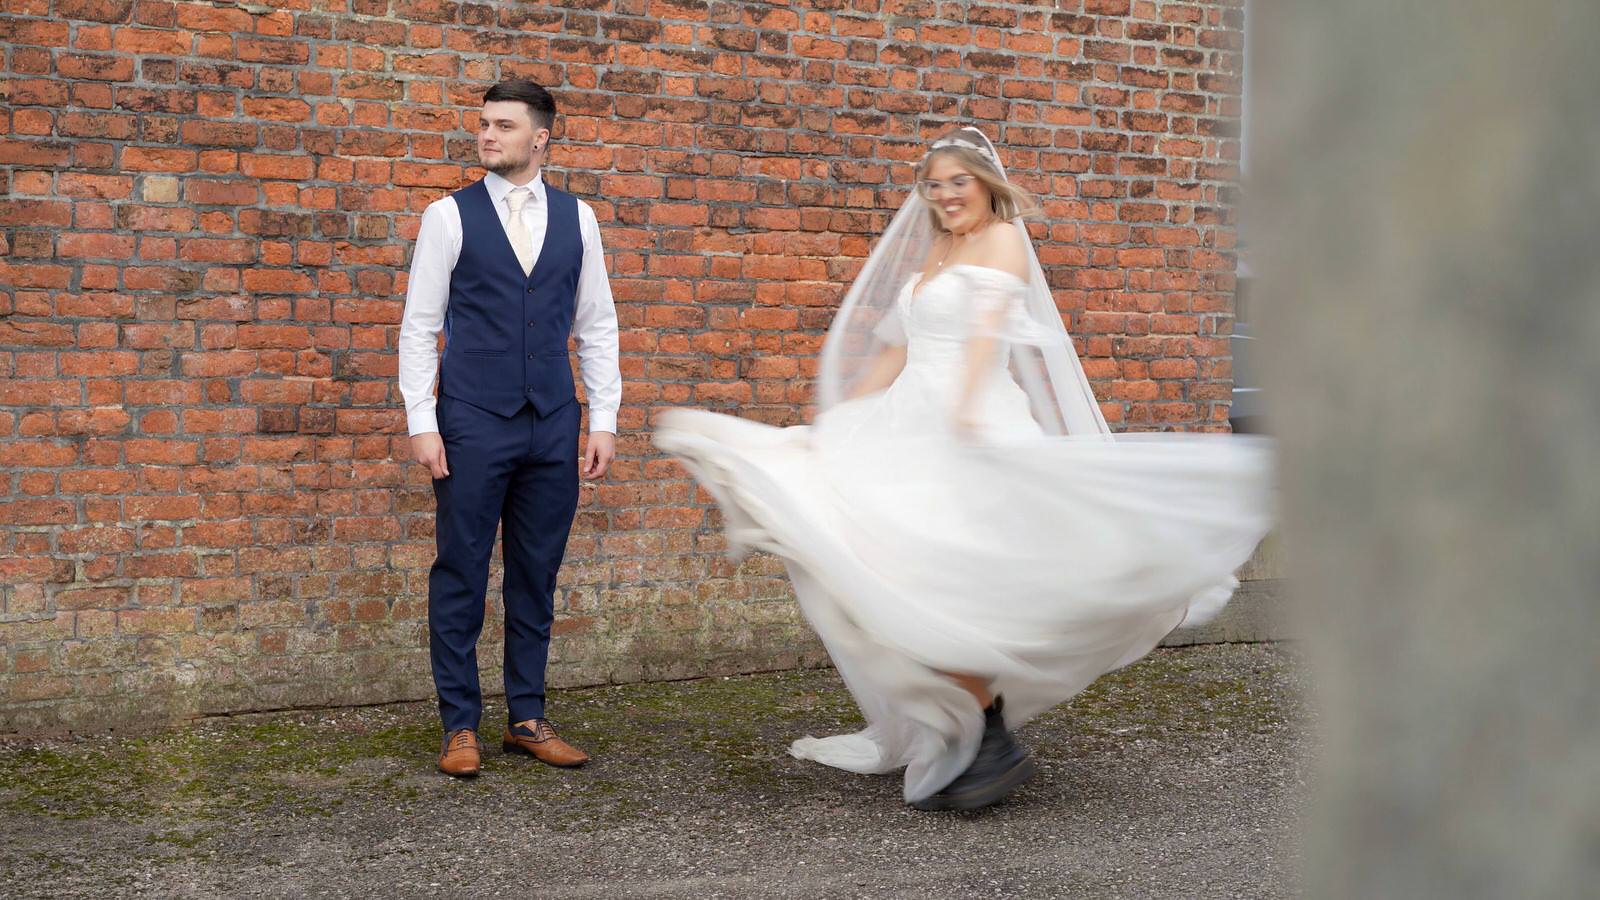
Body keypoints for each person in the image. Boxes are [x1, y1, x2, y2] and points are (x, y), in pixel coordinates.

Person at [654, 126, 1273, 810]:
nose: (946, 195)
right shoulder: (936, 251)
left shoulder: (1002, 240)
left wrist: (970, 409)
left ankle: (987, 735)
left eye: (959, 182)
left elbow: (987, 335)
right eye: (935, 184)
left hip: (969, 423)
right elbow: (898, 348)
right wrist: (841, 415)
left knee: (952, 579)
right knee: (892, 572)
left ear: (985, 184)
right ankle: (983, 730)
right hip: (907, 421)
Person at [398, 79, 620, 778]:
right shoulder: (448, 216)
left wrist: (602, 417)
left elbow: (597, 325)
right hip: (470, 421)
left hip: (553, 421)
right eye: (484, 125)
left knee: (536, 575)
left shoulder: (577, 218)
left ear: (540, 138)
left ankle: (527, 716)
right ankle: (459, 725)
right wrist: (421, 420)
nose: (487, 136)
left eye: (503, 125)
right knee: (460, 572)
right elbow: (420, 326)